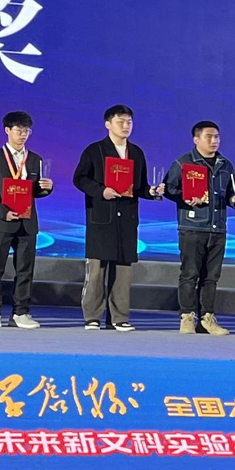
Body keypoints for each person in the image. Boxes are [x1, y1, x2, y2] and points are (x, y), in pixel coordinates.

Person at [73, 104, 158, 331]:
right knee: (97, 270)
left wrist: (151, 192)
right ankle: (92, 316)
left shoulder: (136, 152)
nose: (126, 126)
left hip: (127, 218)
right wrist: (101, 191)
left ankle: (119, 317)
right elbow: (80, 179)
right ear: (108, 124)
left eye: (129, 122)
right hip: (102, 216)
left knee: (123, 271)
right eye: (121, 122)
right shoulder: (95, 150)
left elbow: (140, 186)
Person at [164, 120, 235, 335]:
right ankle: (187, 316)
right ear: (196, 139)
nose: (214, 140)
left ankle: (207, 318)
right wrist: (186, 197)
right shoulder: (183, 163)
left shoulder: (225, 165)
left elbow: (229, 195)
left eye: (216, 136)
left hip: (218, 228)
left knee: (211, 277)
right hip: (192, 226)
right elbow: (169, 188)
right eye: (209, 136)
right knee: (189, 274)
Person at [0, 111, 52, 329]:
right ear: (7, 130)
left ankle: (21, 312)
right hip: (3, 221)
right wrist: (2, 212)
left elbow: (35, 190)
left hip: (27, 222)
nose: (23, 135)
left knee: (25, 269)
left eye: (27, 131)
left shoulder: (36, 159)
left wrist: (46, 188)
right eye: (19, 130)